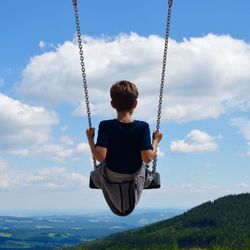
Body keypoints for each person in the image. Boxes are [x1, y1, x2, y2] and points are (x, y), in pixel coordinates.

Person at [86, 80, 163, 216]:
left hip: (109, 177)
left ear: (112, 104)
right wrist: (155, 140)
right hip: (135, 178)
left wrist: (90, 138)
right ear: (135, 103)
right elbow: (147, 158)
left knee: (101, 167)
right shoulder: (142, 127)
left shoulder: (106, 126)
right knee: (144, 168)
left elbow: (99, 157)